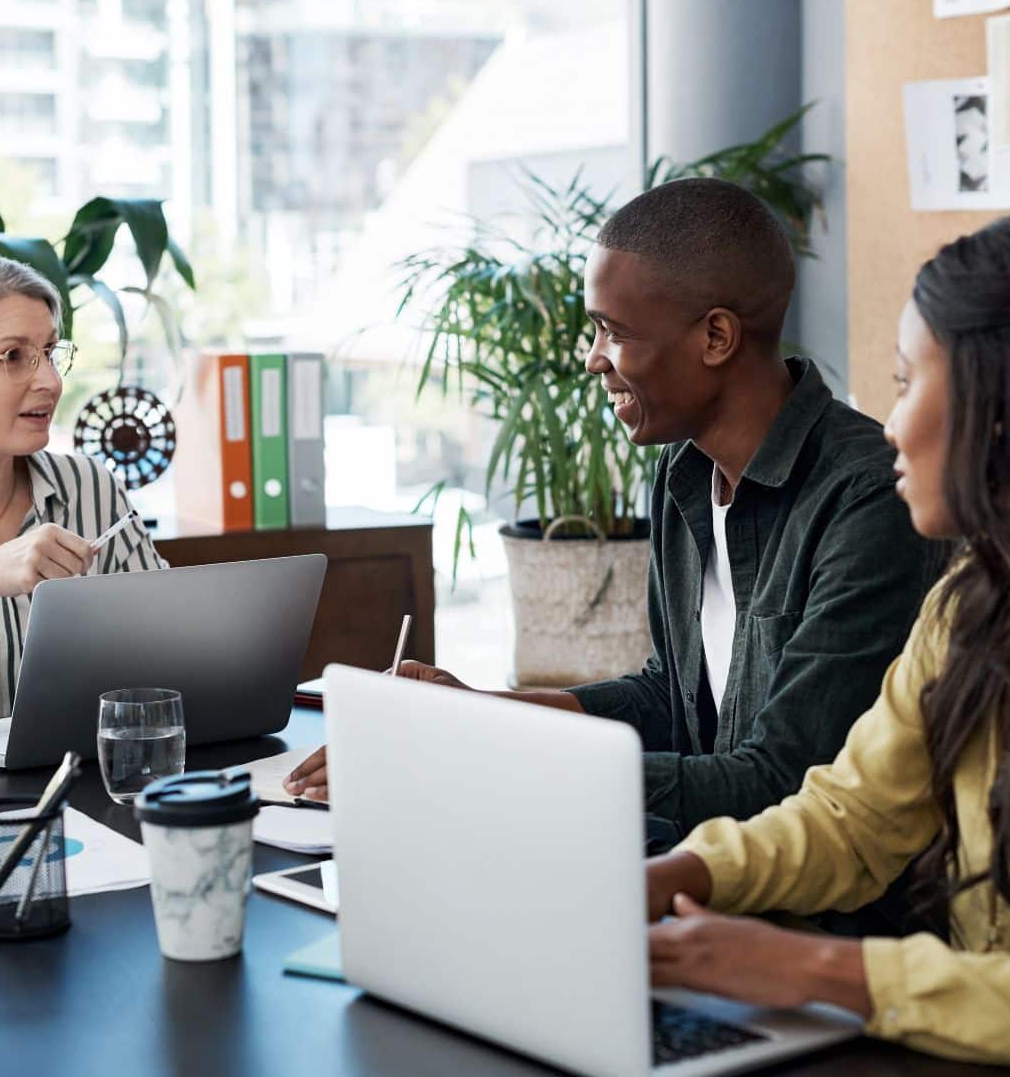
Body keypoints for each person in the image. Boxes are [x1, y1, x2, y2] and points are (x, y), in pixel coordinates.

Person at [286, 179, 941, 851]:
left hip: (818, 921)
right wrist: (472, 711)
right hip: (702, 869)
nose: (592, 359)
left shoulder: (869, 498)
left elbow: (781, 783)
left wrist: (479, 749)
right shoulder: (682, 474)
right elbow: (669, 701)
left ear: (716, 336)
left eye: (612, 331)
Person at [640, 218, 1010, 1065]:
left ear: (996, 411)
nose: (889, 425)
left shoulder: (862, 503)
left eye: (907, 383)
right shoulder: (968, 604)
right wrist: (682, 874)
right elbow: (854, 815)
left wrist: (818, 969)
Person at [0, 251, 164, 725]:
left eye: (51, 353)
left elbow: (170, 649)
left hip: (79, 785)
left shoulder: (90, 488)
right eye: (13, 357)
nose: (50, 382)